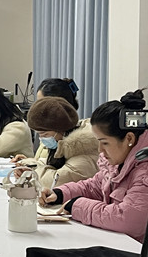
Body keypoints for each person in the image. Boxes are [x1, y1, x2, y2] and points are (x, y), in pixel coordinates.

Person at [40, 89, 148, 243]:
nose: (100, 150)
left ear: (129, 138)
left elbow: (128, 220)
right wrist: (61, 193)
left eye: (105, 143)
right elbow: (95, 186)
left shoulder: (144, 171)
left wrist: (77, 205)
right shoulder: (117, 162)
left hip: (135, 252)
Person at [17, 97, 99, 188]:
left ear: (61, 130)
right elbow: (50, 163)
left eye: (45, 134)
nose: (42, 139)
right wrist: (26, 165)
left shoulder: (85, 149)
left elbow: (57, 181)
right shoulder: (62, 144)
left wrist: (31, 174)